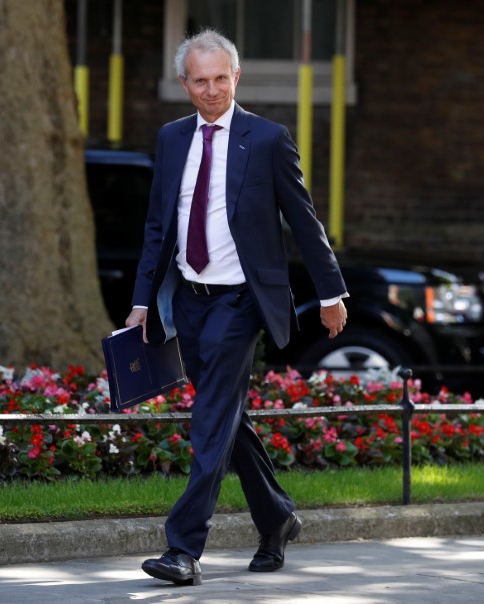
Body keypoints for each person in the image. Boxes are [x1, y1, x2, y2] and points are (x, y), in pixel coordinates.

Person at [125, 28, 348, 586]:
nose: (212, 89)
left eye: (221, 78)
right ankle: (276, 518)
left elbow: (304, 221)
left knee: (208, 420)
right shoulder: (172, 138)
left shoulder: (267, 138)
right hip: (190, 302)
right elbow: (158, 227)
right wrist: (140, 303)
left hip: (242, 301)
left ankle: (183, 548)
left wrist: (331, 292)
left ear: (236, 76)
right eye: (200, 81)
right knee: (226, 417)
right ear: (184, 83)